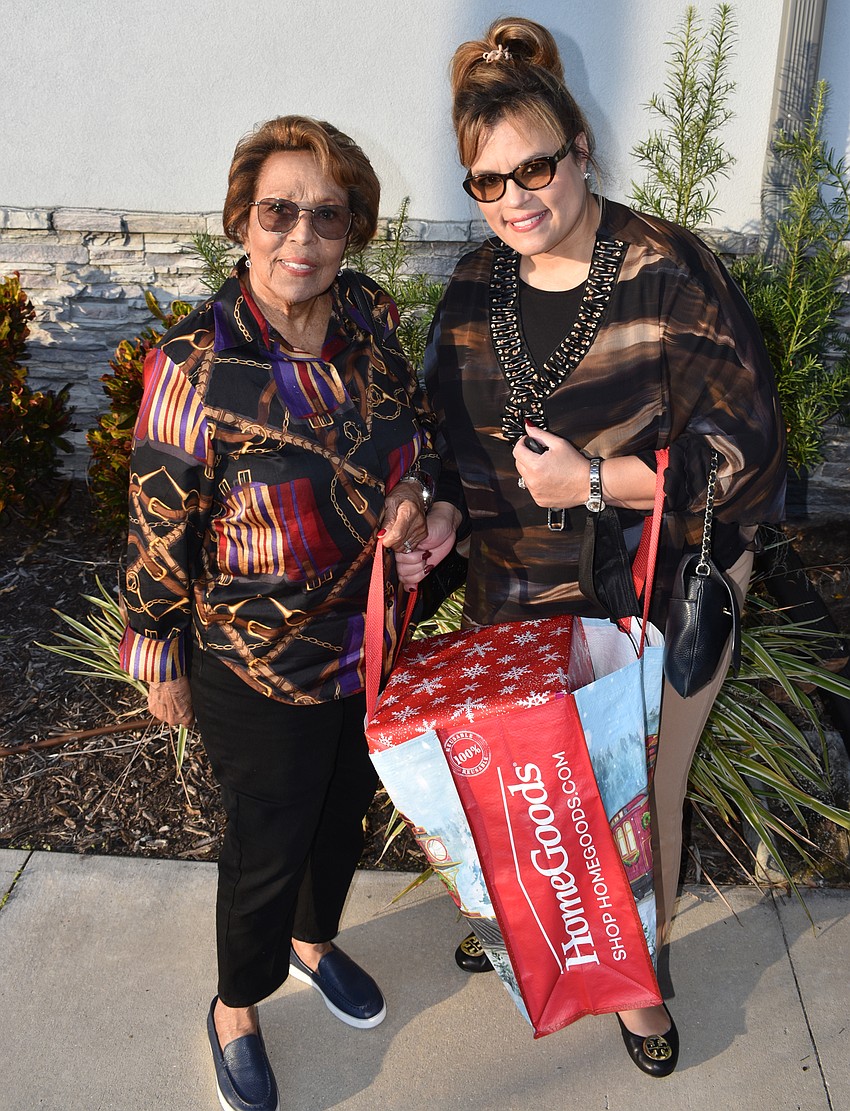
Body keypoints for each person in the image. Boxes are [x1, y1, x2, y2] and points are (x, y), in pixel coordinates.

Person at [396, 17, 785, 1078]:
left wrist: (596, 481)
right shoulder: (475, 288)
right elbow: (444, 439)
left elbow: (744, 456)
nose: (517, 197)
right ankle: (535, 929)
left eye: (536, 166)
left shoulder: (666, 269)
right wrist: (436, 515)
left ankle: (638, 985)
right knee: (527, 784)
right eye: (489, 180)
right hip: (515, 584)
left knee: (632, 795)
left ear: (580, 150)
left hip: (653, 584)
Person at [119, 115, 439, 1111]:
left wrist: (416, 498)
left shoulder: (373, 323)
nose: (300, 236)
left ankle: (313, 943)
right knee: (267, 841)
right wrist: (158, 653)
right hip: (254, 659)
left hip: (367, 639)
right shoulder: (197, 363)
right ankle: (235, 1005)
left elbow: (416, 439)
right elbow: (159, 517)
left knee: (340, 817)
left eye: (326, 216)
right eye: (277, 211)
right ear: (241, 221)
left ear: (355, 232)